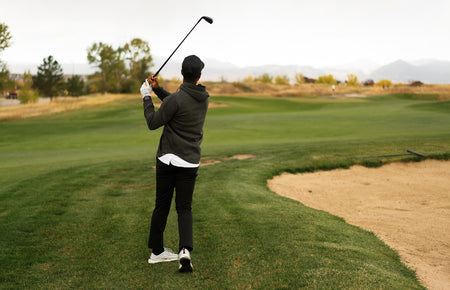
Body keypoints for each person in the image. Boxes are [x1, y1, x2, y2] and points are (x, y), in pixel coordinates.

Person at [140, 55, 209, 273]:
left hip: (167, 160)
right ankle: (184, 251)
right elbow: (175, 103)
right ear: (199, 76)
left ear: (182, 72)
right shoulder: (203, 98)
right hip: (189, 162)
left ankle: (157, 252)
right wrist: (158, 90)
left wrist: (146, 96)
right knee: (184, 208)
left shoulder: (176, 100)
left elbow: (153, 122)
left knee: (162, 205)